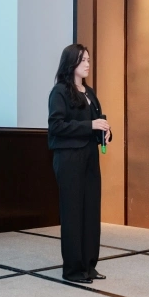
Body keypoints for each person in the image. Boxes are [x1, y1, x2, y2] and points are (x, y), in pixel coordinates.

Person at [48, 44, 111, 284]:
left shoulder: (89, 92)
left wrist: (105, 132)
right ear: (70, 62)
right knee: (73, 213)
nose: (87, 64)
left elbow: (97, 122)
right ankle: (73, 270)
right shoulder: (60, 91)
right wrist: (90, 126)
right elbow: (56, 126)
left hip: (90, 156)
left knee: (91, 212)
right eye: (82, 59)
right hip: (69, 158)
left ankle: (89, 265)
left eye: (88, 59)